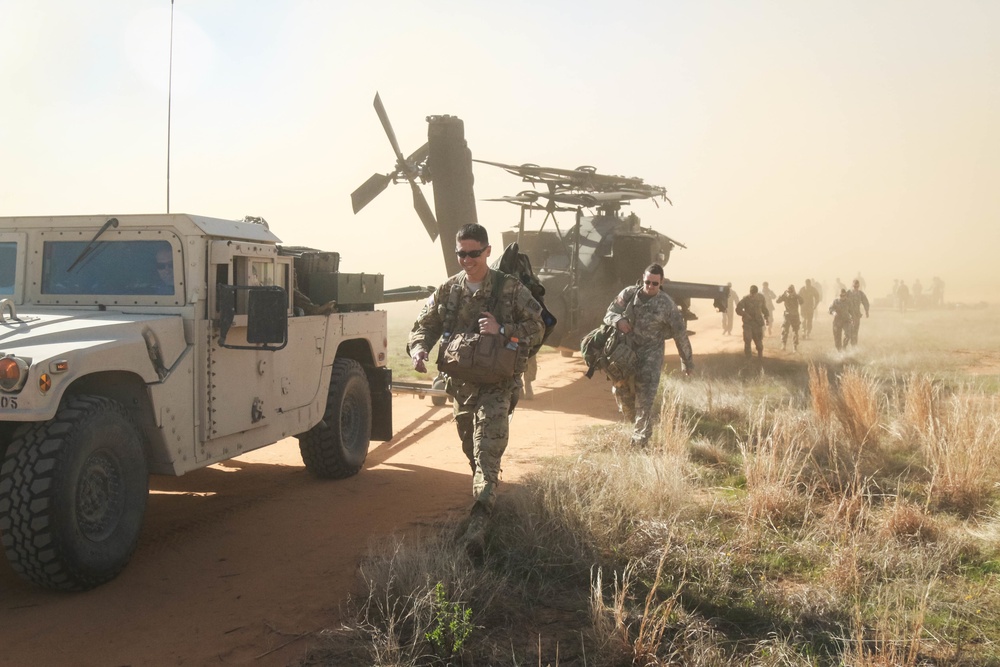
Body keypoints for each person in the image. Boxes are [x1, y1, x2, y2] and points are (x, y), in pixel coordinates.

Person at [407, 223, 544, 556]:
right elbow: (423, 325)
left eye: (473, 253)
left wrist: (503, 328)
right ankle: (488, 494)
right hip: (462, 388)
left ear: (487, 252)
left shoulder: (510, 290)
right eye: (460, 254)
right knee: (472, 450)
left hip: (498, 386)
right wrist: (419, 349)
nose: (466, 260)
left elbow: (537, 327)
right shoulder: (449, 290)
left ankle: (477, 531)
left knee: (486, 451)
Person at [603, 264, 693, 448]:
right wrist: (618, 320)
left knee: (645, 397)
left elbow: (680, 334)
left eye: (655, 283)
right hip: (626, 352)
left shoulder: (667, 304)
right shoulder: (628, 294)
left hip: (651, 354)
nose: (650, 286)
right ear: (642, 278)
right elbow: (609, 314)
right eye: (647, 282)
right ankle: (635, 423)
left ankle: (640, 440)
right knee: (622, 393)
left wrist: (687, 361)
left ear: (661, 283)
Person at [735, 284, 769, 358]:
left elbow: (764, 308)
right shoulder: (745, 299)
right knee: (747, 339)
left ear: (757, 292)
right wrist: (745, 314)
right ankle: (748, 357)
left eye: (754, 293)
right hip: (748, 323)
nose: (753, 295)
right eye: (751, 293)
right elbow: (738, 309)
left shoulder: (761, 298)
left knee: (758, 340)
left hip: (758, 323)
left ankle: (760, 356)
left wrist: (767, 318)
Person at [776, 284, 803, 351]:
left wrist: (796, 296)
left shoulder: (795, 296)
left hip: (792, 315)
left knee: (792, 331)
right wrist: (784, 295)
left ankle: (792, 346)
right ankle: (787, 346)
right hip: (790, 315)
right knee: (788, 330)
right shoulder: (787, 296)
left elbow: (802, 302)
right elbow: (777, 301)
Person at [844, 278, 870, 346]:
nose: (856, 288)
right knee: (848, 333)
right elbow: (842, 301)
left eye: (857, 287)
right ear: (852, 285)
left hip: (856, 315)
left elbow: (865, 302)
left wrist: (867, 311)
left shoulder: (860, 293)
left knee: (855, 331)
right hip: (848, 315)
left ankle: (854, 347)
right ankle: (844, 347)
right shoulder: (848, 293)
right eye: (854, 286)